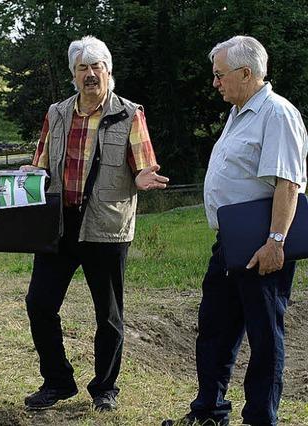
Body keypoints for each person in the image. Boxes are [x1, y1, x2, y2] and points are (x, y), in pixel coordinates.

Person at [163, 36, 308, 426]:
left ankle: (261, 419)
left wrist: (275, 242)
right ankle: (210, 411)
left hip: (262, 243)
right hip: (230, 241)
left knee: (264, 339)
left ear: (246, 74)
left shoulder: (277, 114)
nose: (215, 83)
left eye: (219, 75)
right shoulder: (239, 112)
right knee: (214, 327)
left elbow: (287, 183)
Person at [20, 36, 168, 411]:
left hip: (106, 226)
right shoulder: (56, 113)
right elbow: (41, 162)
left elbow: (142, 165)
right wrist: (31, 172)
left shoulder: (129, 113)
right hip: (58, 226)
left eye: (96, 66)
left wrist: (142, 179)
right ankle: (57, 381)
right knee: (39, 304)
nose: (90, 74)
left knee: (109, 314)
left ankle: (105, 389)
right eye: (82, 68)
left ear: (109, 70)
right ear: (73, 74)